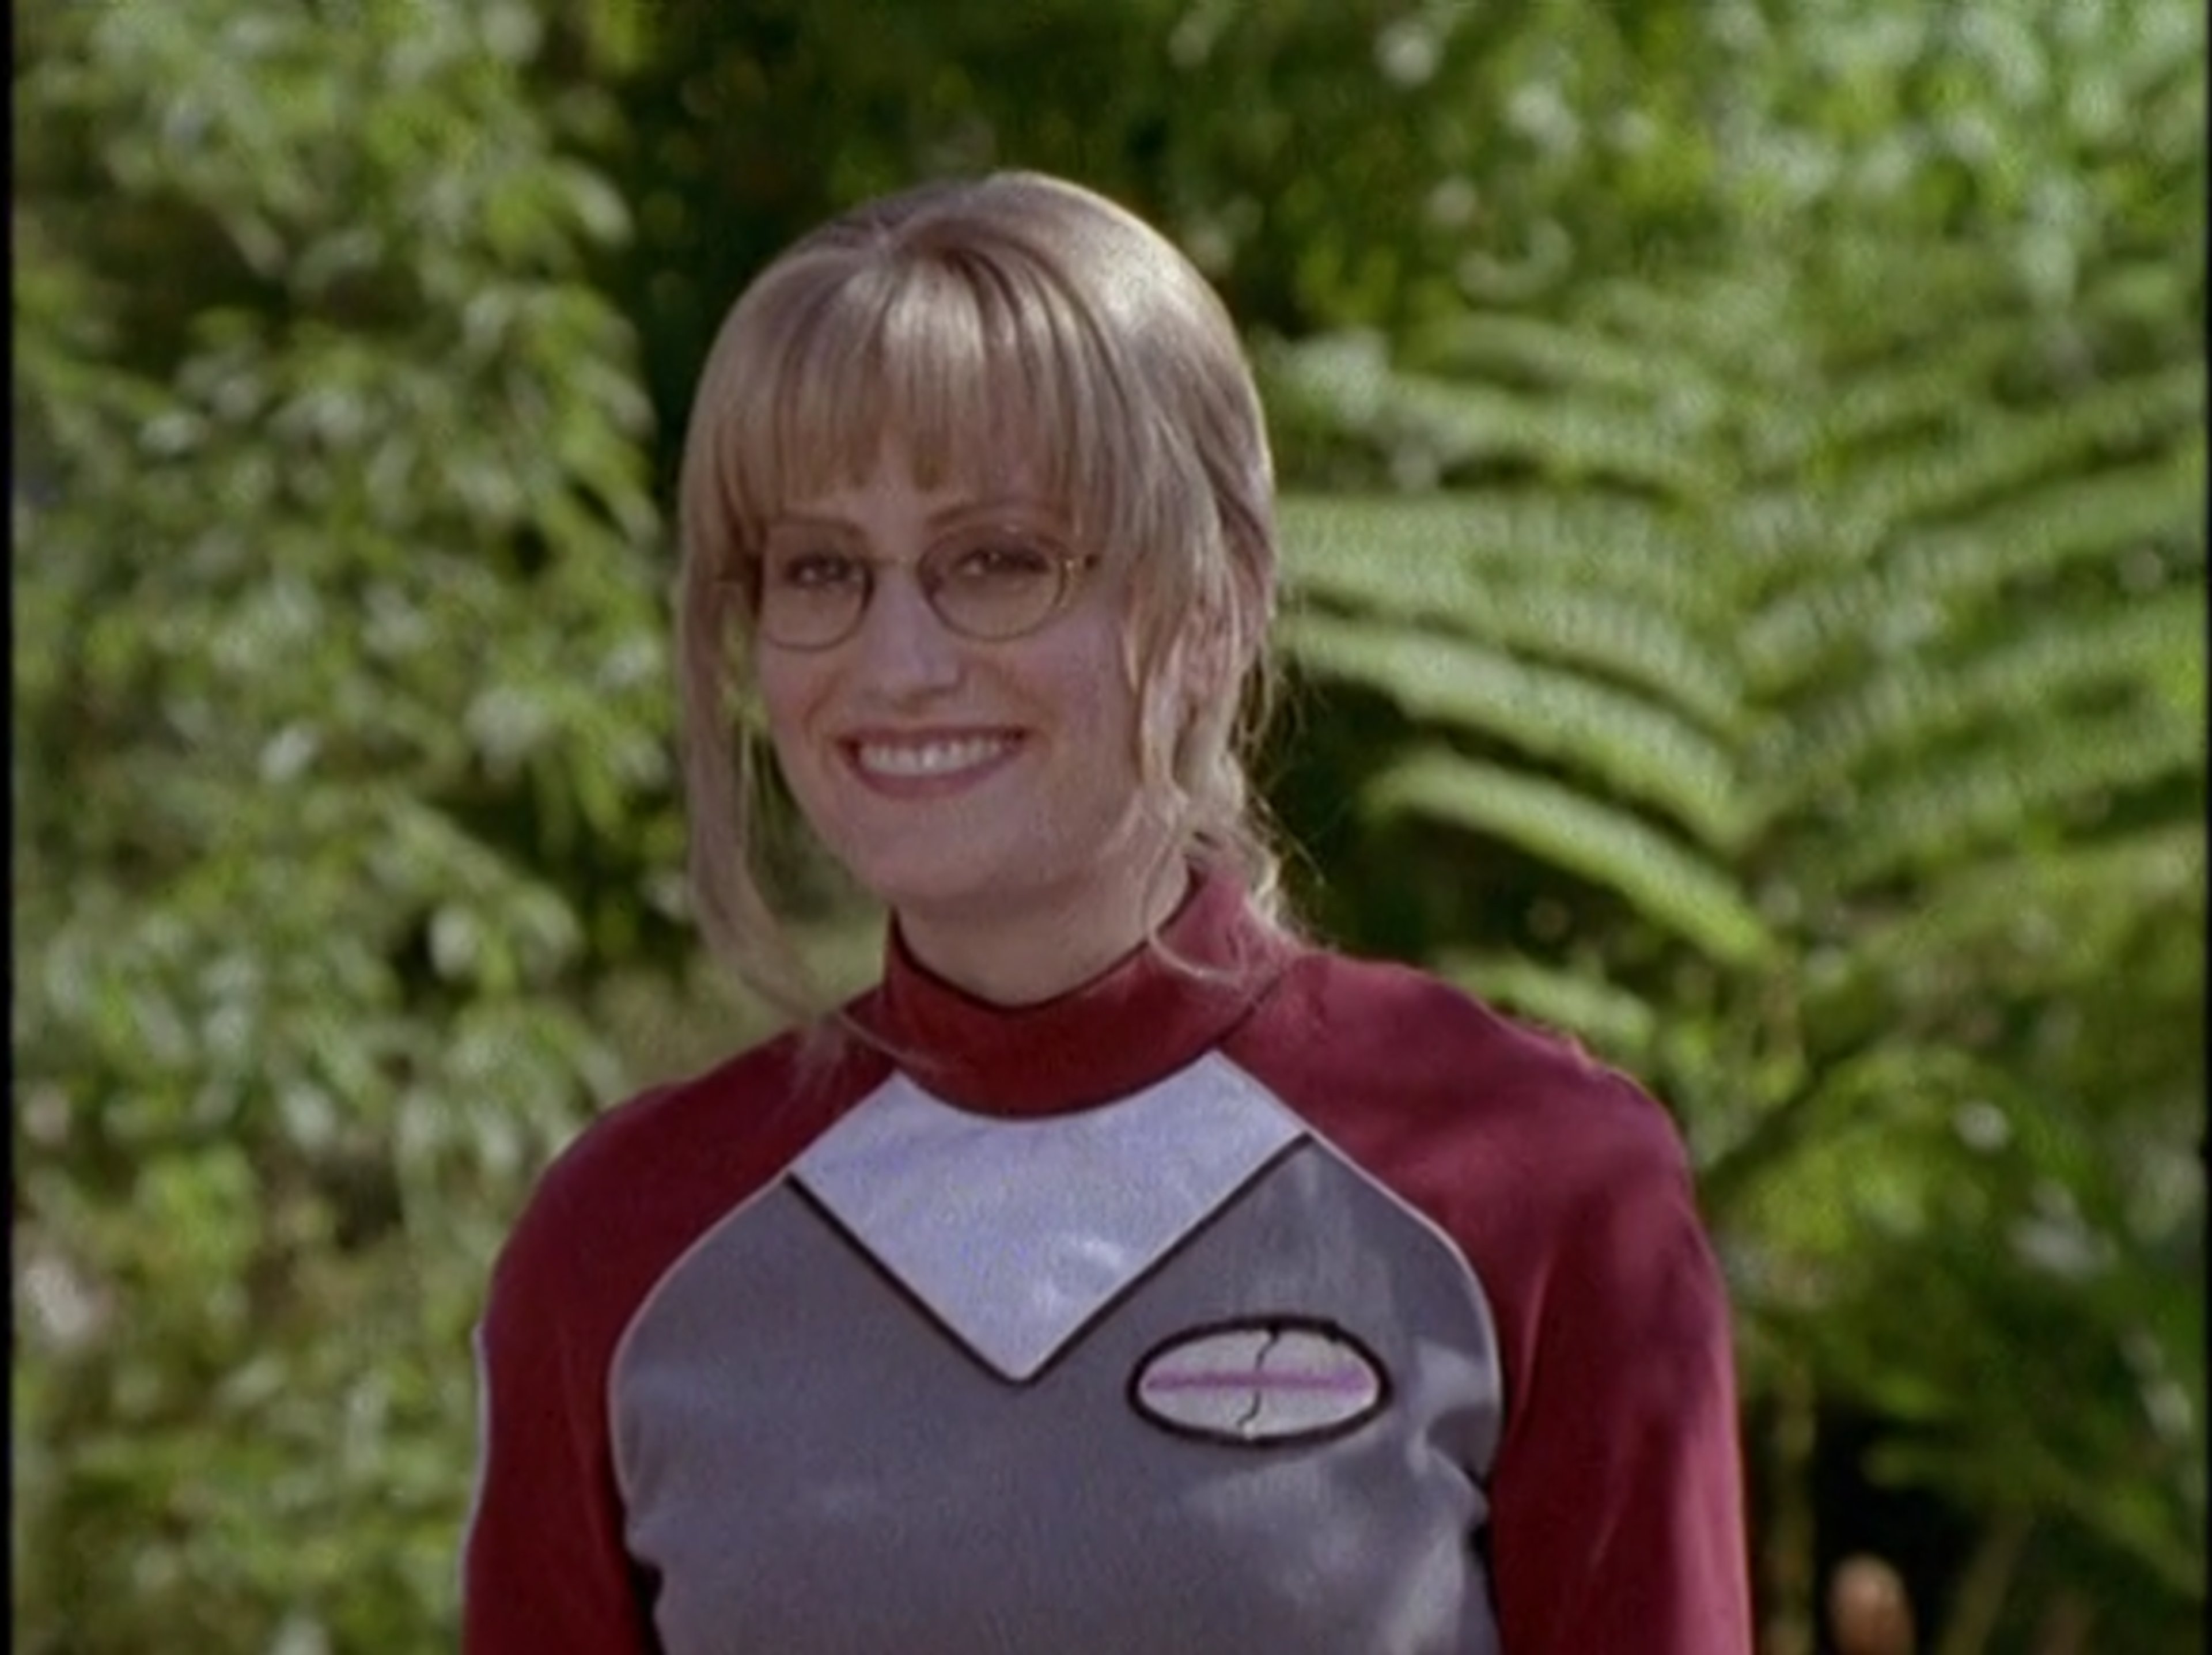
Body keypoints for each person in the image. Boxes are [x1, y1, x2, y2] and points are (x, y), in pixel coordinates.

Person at [461, 169, 1752, 1654]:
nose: (896, 664)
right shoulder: (619, 1250)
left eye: (998, 560)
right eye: (821, 569)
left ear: (1218, 601)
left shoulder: (1538, 1186)